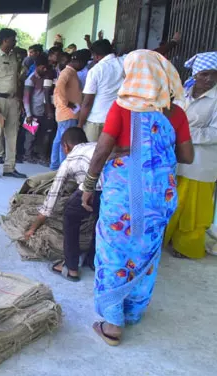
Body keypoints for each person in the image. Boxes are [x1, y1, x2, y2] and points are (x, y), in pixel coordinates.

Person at [80, 50, 194, 346]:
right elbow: (187, 156)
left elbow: (101, 151)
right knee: (146, 253)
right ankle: (132, 311)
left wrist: (88, 186)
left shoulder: (121, 108)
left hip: (124, 196)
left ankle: (113, 323)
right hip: (160, 197)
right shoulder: (176, 113)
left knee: (113, 252)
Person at [24, 128, 100, 280]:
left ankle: (71, 268)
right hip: (116, 191)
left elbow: (51, 200)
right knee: (101, 220)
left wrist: (32, 228)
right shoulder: (97, 145)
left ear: (65, 146)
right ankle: (93, 260)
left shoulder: (69, 160)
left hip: (94, 189)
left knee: (71, 213)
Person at [164, 52, 217, 259]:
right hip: (176, 159)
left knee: (194, 210)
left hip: (201, 163)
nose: (210, 79)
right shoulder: (182, 92)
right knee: (173, 201)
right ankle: (167, 239)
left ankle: (187, 247)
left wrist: (184, 133)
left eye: (214, 75)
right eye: (205, 74)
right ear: (195, 75)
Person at [0, 28, 25, 180]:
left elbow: (17, 80)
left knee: (12, 135)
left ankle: (9, 167)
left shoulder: (15, 57)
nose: (15, 42)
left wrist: (19, 100)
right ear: (5, 40)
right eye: (13, 39)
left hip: (13, 100)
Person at [77, 39, 124, 141]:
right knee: (112, 154)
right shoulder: (124, 62)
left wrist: (80, 124)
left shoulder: (96, 70)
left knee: (92, 152)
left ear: (96, 56)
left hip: (97, 120)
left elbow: (87, 102)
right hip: (117, 117)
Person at [51, 50, 85, 170]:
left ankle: (55, 165)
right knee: (65, 142)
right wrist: (67, 103)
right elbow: (59, 88)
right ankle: (62, 168)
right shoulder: (67, 72)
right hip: (68, 113)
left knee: (59, 140)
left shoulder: (71, 72)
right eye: (84, 63)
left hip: (66, 112)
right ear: (79, 62)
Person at [23, 54, 54, 162]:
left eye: (46, 67)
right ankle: (27, 155)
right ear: (37, 66)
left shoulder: (45, 77)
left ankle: (34, 154)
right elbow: (26, 99)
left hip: (42, 111)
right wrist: (28, 114)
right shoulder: (30, 79)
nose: (45, 69)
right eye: (42, 67)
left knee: (39, 136)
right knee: (30, 136)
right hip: (32, 112)